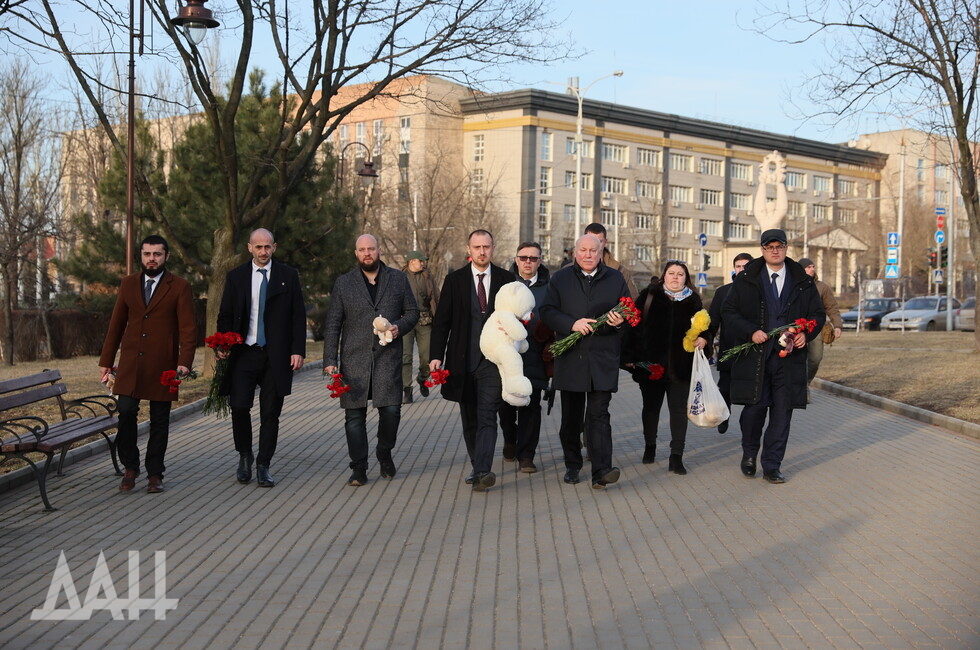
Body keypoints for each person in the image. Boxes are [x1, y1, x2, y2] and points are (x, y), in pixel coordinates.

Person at [722, 229, 825, 484]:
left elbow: (817, 315)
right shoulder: (747, 278)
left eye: (779, 246)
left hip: (789, 359)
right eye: (770, 247)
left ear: (787, 248)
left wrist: (805, 334)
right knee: (754, 410)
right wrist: (751, 331)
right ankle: (749, 453)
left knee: (782, 412)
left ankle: (772, 465)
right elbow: (729, 310)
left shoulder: (802, 280)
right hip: (756, 356)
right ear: (762, 250)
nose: (775, 250)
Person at [99, 235, 197, 494]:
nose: (152, 259)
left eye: (157, 254)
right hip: (131, 363)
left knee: (159, 421)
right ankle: (130, 467)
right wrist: (106, 361)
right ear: (140, 256)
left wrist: (184, 362)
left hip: (164, 365)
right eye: (147, 254)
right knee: (127, 411)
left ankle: (155, 473)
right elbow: (116, 324)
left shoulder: (179, 286)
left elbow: (188, 328)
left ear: (166, 256)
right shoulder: (128, 284)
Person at [324, 235, 419, 486]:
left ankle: (384, 452)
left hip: (388, 358)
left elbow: (412, 312)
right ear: (356, 253)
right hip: (354, 361)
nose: (367, 253)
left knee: (391, 411)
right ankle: (359, 467)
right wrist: (330, 359)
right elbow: (333, 322)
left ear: (379, 251)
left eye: (371, 249)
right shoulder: (344, 283)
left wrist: (398, 327)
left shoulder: (397, 279)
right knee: (354, 417)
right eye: (362, 250)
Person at [216, 228, 306, 488]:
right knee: (240, 406)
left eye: (268, 247)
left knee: (270, 413)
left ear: (274, 247)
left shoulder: (288, 276)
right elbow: (225, 314)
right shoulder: (236, 277)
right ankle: (245, 455)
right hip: (244, 353)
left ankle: (264, 464)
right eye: (259, 247)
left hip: (276, 356)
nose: (263, 252)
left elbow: (297, 315)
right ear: (249, 248)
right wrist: (221, 342)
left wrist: (297, 349)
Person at [540, 233, 628, 489]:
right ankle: (572, 463)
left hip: (603, 358)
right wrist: (571, 324)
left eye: (593, 250)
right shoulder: (561, 278)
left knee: (599, 415)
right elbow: (547, 311)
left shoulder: (615, 278)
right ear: (575, 252)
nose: (588, 255)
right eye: (583, 250)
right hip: (571, 358)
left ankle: (601, 471)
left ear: (602, 253)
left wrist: (620, 321)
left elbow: (628, 309)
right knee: (571, 418)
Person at [430, 229, 512, 492]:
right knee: (470, 418)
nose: (482, 251)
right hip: (461, 360)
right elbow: (442, 322)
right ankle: (478, 465)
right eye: (477, 247)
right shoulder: (454, 281)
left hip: (493, 361)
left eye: (486, 246)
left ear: (493, 248)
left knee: (488, 415)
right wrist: (435, 356)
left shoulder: (506, 279)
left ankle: (483, 471)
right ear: (469, 249)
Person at [623, 260, 710, 474]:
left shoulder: (693, 300)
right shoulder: (650, 296)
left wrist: (705, 339)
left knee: (679, 410)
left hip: (681, 366)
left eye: (680, 274)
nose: (675, 277)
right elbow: (634, 326)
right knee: (651, 408)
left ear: (685, 278)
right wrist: (630, 356)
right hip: (651, 365)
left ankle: (676, 456)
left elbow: (705, 326)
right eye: (671, 273)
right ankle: (650, 446)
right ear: (664, 276)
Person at [497, 241, 550, 473]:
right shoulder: (503, 284)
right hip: (507, 355)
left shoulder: (550, 287)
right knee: (505, 405)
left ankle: (527, 455)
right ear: (516, 259)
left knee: (531, 406)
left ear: (540, 261)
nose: (528, 262)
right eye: (524, 257)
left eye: (534, 258)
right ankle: (510, 438)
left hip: (536, 355)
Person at [706, 252, 754, 434]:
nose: (742, 270)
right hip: (728, 349)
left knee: (751, 394)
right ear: (734, 269)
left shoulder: (759, 292)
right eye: (738, 266)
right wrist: (707, 342)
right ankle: (724, 414)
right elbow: (713, 321)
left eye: (746, 266)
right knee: (725, 388)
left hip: (752, 351)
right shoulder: (723, 292)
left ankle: (749, 429)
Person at [401, 250, 440, 404]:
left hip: (425, 320)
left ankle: (423, 378)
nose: (423, 264)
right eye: (420, 261)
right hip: (405, 320)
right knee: (405, 357)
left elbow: (436, 296)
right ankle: (407, 390)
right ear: (412, 262)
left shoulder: (428, 276)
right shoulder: (399, 277)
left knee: (427, 356)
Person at [798, 258, 842, 386]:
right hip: (796, 326)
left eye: (813, 266)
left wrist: (837, 325)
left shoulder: (822, 287)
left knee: (815, 358)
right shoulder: (793, 284)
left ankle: (806, 383)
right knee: (796, 359)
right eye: (808, 267)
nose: (812, 269)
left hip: (816, 327)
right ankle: (799, 388)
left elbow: (832, 307)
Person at [584, 222, 638, 299]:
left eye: (599, 241)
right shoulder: (568, 272)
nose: (595, 245)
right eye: (591, 241)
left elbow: (633, 303)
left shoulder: (621, 272)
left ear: (605, 242)